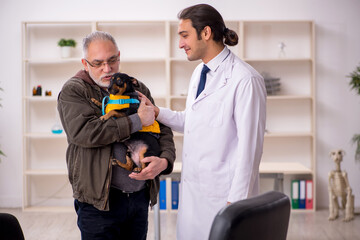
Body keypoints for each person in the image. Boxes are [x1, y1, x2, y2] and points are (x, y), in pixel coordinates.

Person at [139, 4, 267, 240]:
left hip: (223, 198)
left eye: (184, 35)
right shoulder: (200, 72)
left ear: (206, 33)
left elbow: (250, 151)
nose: (180, 44)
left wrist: (235, 205)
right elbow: (193, 120)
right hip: (194, 195)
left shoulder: (245, 80)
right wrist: (157, 112)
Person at [57, 31, 175, 240]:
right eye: (98, 63)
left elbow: (162, 127)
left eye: (112, 60)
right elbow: (85, 133)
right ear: (85, 63)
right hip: (99, 203)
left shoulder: (137, 86)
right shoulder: (74, 91)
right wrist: (136, 120)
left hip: (139, 198)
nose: (107, 68)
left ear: (119, 56)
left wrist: (165, 160)